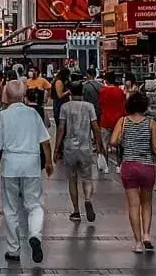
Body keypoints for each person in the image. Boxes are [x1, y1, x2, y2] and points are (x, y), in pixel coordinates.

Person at [0, 80, 54, 264]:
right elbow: (45, 141)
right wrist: (49, 162)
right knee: (34, 205)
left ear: (6, 96)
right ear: (24, 95)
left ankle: (14, 249)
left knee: (10, 209)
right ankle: (35, 235)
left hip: (10, 165)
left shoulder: (3, 116)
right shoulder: (33, 114)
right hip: (31, 164)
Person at [111, 91, 156, 253]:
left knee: (133, 205)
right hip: (147, 167)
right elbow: (155, 147)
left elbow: (113, 141)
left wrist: (121, 140)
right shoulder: (151, 123)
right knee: (146, 203)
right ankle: (147, 235)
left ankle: (138, 243)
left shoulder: (123, 121)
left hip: (129, 166)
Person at [56, 82, 106, 222]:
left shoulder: (65, 107)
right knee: (87, 178)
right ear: (82, 92)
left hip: (69, 148)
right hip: (85, 147)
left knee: (72, 179)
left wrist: (56, 148)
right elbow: (95, 127)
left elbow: (61, 128)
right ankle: (88, 199)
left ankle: (76, 211)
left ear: (70, 92)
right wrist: (100, 144)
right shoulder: (89, 107)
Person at [98, 73, 127, 166]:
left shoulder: (102, 91)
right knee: (119, 143)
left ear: (106, 80)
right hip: (118, 120)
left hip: (105, 120)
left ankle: (106, 165)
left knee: (104, 143)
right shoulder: (120, 91)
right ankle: (119, 164)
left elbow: (100, 104)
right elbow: (124, 104)